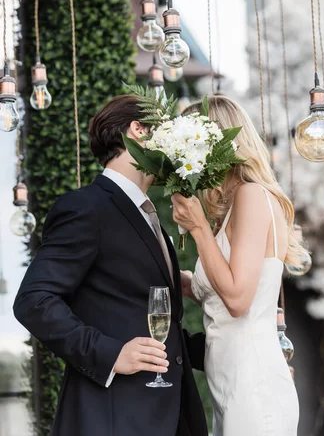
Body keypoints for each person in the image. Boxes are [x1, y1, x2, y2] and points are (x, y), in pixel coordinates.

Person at [13, 94, 208, 436]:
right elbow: (33, 301)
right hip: (114, 415)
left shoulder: (150, 218)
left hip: (168, 414)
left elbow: (149, 319)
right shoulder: (87, 208)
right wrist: (110, 354)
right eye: (167, 133)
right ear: (137, 130)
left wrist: (232, 349)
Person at [171, 95, 304, 436]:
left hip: (252, 384)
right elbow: (220, 291)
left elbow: (238, 300)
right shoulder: (233, 206)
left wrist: (199, 228)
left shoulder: (252, 196)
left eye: (189, 148)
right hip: (230, 382)